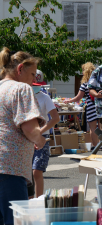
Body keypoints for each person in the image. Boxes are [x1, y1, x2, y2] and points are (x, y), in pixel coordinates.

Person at [0, 47, 46, 225]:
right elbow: (30, 129)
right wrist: (40, 140)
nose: (34, 79)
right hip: (11, 165)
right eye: (32, 73)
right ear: (20, 69)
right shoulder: (21, 88)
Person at [28, 70, 60, 198]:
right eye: (34, 85)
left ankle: (38, 199)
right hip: (27, 138)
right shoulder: (24, 96)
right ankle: (30, 199)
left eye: (38, 85)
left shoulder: (45, 97)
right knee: (27, 173)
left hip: (43, 137)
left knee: (37, 171)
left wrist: (40, 131)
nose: (36, 87)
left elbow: (55, 118)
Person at [64, 62, 99, 148]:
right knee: (100, 128)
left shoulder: (85, 84)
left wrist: (68, 101)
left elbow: (78, 97)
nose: (82, 73)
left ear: (86, 72)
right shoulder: (98, 82)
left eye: (83, 71)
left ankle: (96, 145)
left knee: (92, 128)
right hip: (100, 106)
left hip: (91, 107)